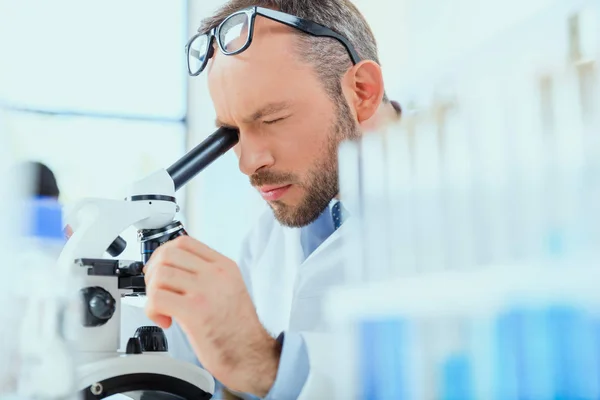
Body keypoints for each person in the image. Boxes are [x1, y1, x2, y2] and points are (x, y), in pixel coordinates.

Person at [143, 0, 390, 398]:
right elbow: (203, 360)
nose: (248, 162)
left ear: (362, 92)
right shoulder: (270, 234)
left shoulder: (461, 215)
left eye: (272, 119)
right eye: (231, 132)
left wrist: (263, 365)